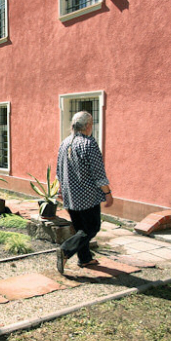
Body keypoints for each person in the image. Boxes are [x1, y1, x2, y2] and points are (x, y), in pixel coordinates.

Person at [55, 111, 113, 272]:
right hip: (88, 196)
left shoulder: (64, 143)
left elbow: (58, 170)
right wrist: (107, 193)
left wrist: (60, 190)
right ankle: (65, 251)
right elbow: (98, 172)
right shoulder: (89, 143)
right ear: (88, 126)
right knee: (91, 228)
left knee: (80, 229)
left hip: (70, 195)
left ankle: (85, 259)